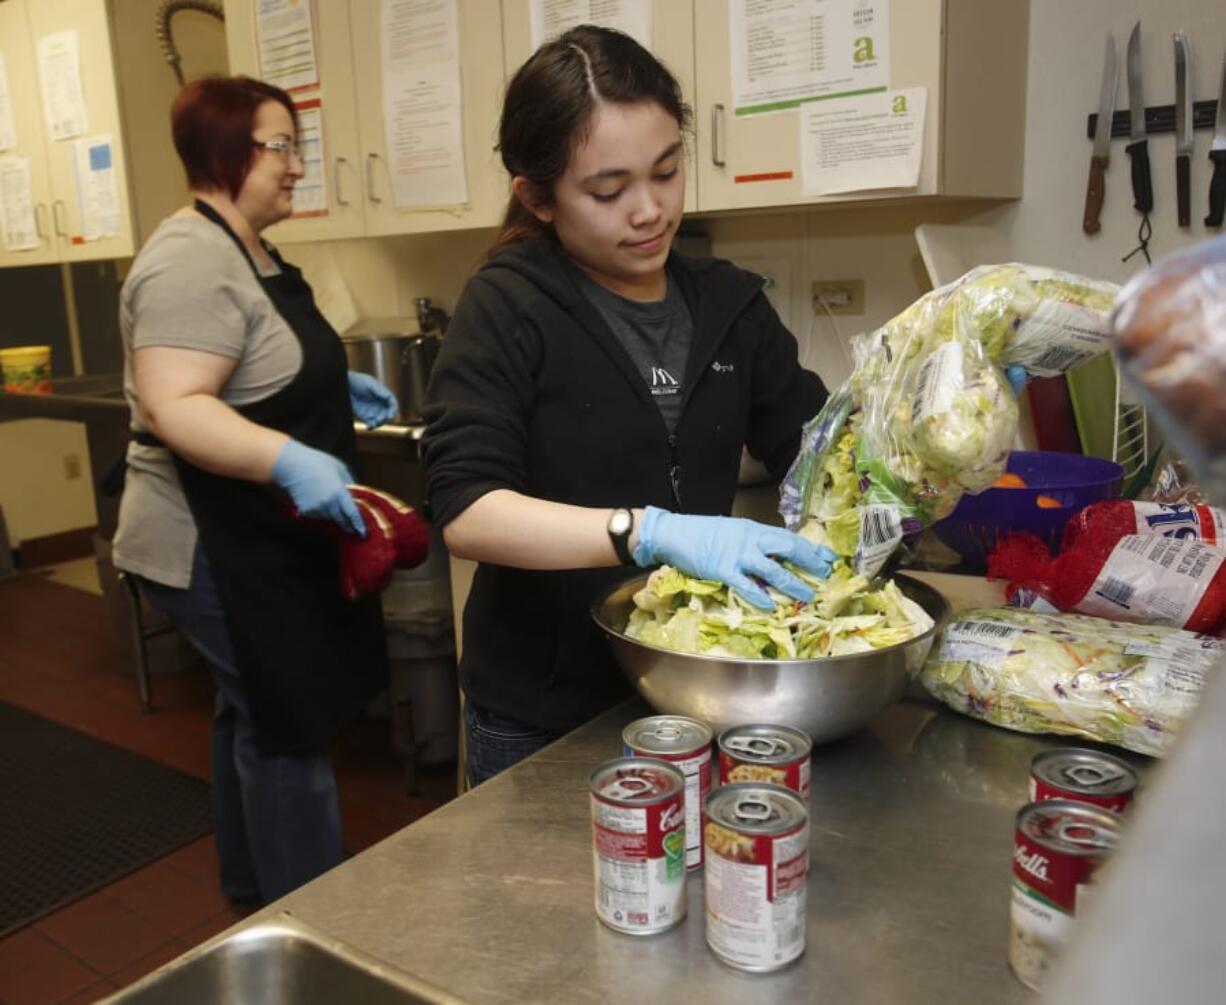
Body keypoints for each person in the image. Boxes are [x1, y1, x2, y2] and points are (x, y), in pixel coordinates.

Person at [422, 26, 837, 787]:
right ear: (537, 198)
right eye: (609, 191)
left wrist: (921, 427)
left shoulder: (730, 306)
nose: (648, 210)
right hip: (544, 713)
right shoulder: (508, 305)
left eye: (667, 171)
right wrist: (645, 532)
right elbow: (467, 509)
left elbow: (824, 459)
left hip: (700, 692)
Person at [111, 76, 401, 903]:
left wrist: (331, 385)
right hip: (206, 540)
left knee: (253, 712)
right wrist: (289, 458)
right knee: (288, 721)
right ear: (224, 150)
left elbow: (243, 361)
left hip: (257, 536)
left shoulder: (248, 247)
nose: (297, 166)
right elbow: (175, 403)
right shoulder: (186, 258)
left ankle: (253, 893)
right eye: (281, 147)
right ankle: (312, 922)